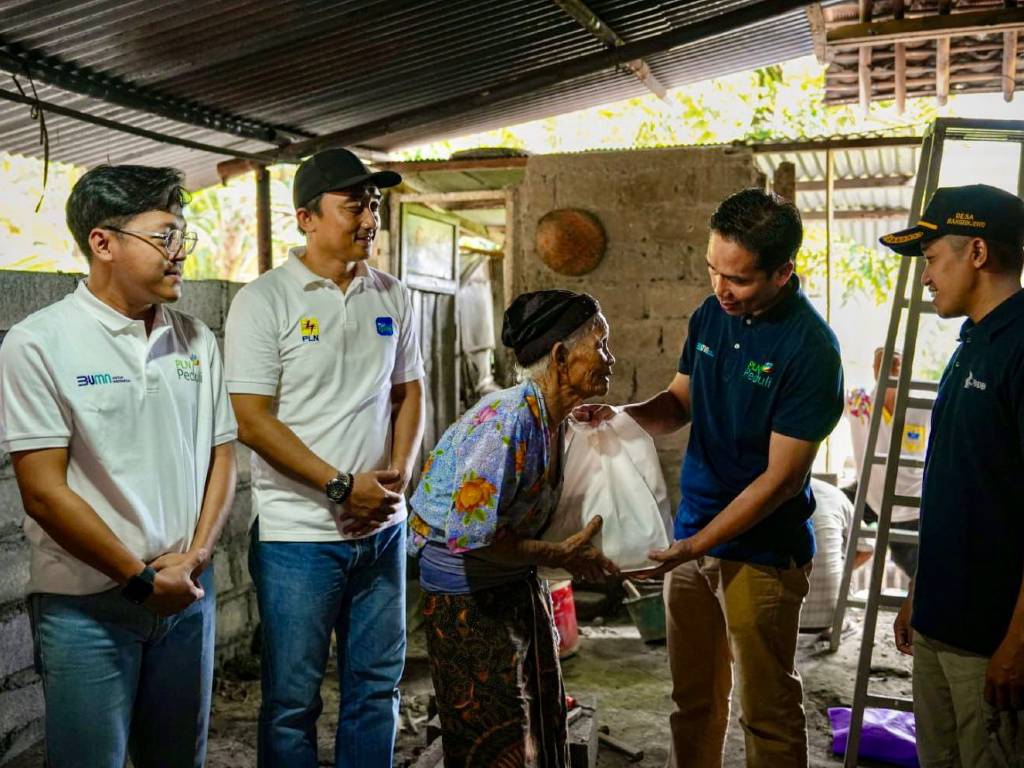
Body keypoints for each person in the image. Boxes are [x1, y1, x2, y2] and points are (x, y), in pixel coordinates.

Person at [577, 188, 844, 768]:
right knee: (693, 698)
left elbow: (779, 480)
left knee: (766, 708)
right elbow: (679, 402)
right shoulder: (710, 315)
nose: (721, 289)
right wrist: (623, 417)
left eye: (739, 279)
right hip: (694, 533)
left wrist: (695, 546)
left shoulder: (811, 350)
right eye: (712, 270)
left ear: (782, 272)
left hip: (761, 554)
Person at [0, 165, 238, 768]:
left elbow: (224, 458)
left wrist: (198, 560)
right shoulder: (39, 343)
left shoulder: (196, 340)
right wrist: (138, 579)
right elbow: (44, 494)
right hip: (88, 606)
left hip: (187, 593)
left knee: (178, 759)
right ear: (103, 243)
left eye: (183, 235)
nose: (179, 252)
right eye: (164, 236)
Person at [225, 147, 424, 768]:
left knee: (375, 690)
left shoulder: (393, 295)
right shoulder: (265, 301)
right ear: (306, 218)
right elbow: (252, 420)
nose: (369, 217)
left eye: (374, 204)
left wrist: (395, 485)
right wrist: (343, 489)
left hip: (381, 533)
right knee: (291, 701)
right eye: (354, 205)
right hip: (298, 536)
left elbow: (409, 391)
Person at [408, 289, 620, 768]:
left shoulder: (552, 418)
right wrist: (557, 555)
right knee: (497, 739)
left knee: (542, 719)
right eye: (601, 344)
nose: (610, 357)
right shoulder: (505, 423)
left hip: (514, 583)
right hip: (469, 598)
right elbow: (471, 538)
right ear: (562, 357)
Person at [885, 184, 1024, 768]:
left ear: (977, 253)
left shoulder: (1019, 349)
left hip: (990, 636)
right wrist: (920, 591)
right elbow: (955, 482)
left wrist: (1017, 642)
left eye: (932, 258)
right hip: (941, 619)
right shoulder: (972, 342)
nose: (925, 277)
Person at [845, 347, 928, 577]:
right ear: (873, 370)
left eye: (895, 364)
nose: (889, 370)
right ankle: (858, 555)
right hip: (869, 496)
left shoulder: (921, 407)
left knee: (919, 574)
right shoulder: (859, 401)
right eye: (882, 365)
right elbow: (824, 397)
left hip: (909, 507)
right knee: (828, 507)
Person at [800, 478, 872, 635]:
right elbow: (868, 548)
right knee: (845, 542)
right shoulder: (832, 493)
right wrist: (840, 570)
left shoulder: (771, 490)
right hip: (831, 619)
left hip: (781, 616)